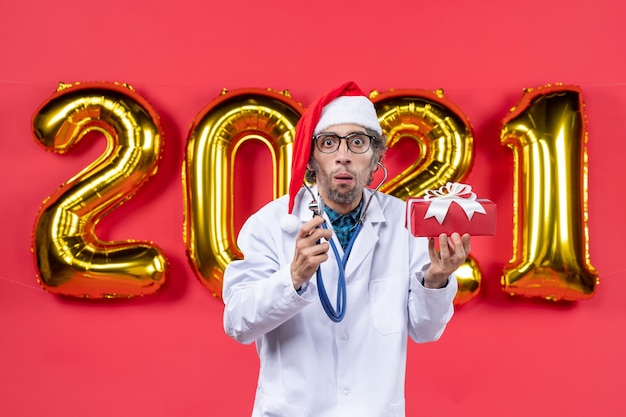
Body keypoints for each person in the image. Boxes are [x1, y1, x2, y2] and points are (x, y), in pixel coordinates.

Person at [222, 81, 470, 417]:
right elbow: (238, 323)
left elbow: (425, 331)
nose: (343, 156)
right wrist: (293, 277)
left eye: (357, 143)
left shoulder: (404, 222)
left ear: (376, 156)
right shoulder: (270, 224)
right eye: (329, 143)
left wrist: (437, 278)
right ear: (310, 159)